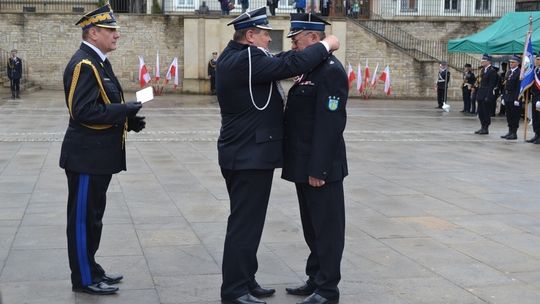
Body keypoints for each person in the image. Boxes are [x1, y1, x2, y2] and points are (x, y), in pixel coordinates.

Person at [215, 7, 340, 304]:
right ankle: (234, 290)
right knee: (244, 226)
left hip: (246, 153)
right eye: (264, 34)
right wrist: (327, 44)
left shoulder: (240, 56)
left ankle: (246, 279)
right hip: (248, 155)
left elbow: (284, 60)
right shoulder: (245, 58)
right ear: (249, 35)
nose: (269, 40)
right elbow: (293, 61)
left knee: (248, 224)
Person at [60, 4, 145, 295]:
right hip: (86, 157)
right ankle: (83, 278)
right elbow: (82, 111)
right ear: (93, 33)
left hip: (97, 157)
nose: (117, 36)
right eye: (111, 31)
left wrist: (127, 121)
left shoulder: (99, 62)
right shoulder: (84, 64)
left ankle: (92, 268)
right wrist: (125, 109)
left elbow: (101, 107)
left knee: (93, 217)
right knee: (83, 220)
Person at [282, 13, 348, 304]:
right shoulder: (310, 69)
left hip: (322, 167)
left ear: (313, 37)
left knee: (327, 229)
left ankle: (328, 289)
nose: (294, 46)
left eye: (296, 40)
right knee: (312, 226)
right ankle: (315, 277)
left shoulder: (330, 70)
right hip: (304, 163)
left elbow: (330, 123)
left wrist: (318, 168)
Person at [474, 54, 498, 135]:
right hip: (481, 93)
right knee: (480, 111)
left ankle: (486, 128)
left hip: (487, 93)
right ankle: (482, 126)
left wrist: (488, 96)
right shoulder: (483, 70)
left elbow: (491, 85)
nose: (482, 62)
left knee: (486, 112)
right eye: (482, 61)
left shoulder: (492, 71)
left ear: (488, 61)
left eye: (484, 61)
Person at [500, 55, 521, 140]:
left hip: (514, 97)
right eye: (510, 62)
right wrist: (503, 97)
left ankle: (514, 133)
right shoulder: (508, 72)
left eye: (513, 62)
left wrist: (517, 99)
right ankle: (510, 131)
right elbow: (505, 86)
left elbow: (518, 87)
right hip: (507, 96)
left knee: (514, 116)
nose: (511, 63)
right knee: (508, 115)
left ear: (518, 63)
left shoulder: (519, 73)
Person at [527, 53, 540, 144]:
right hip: (535, 96)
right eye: (536, 59)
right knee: (535, 117)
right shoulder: (535, 70)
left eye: (539, 59)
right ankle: (536, 134)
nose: (537, 61)